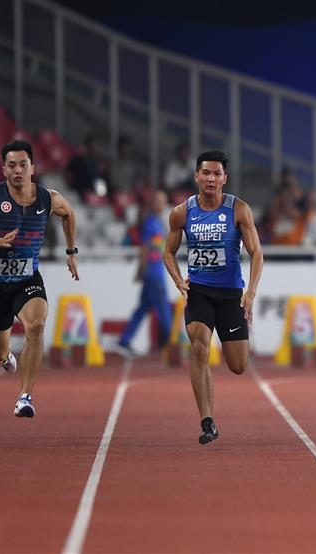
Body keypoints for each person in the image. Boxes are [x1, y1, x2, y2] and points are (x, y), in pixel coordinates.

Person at [0, 140, 80, 417]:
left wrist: (71, 251)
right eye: (11, 165)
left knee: (37, 325)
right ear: (3, 170)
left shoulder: (48, 198)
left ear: (33, 168)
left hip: (28, 279)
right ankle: (5, 358)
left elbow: (69, 214)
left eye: (23, 164)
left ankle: (25, 396)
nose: (17, 170)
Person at [163, 150, 264, 445]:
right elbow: (167, 252)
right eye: (206, 173)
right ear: (196, 176)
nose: (211, 178)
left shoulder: (238, 209)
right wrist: (179, 280)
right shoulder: (181, 213)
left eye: (217, 173)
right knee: (198, 347)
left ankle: (209, 378)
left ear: (225, 178)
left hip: (231, 295)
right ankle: (207, 421)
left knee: (238, 365)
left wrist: (251, 291)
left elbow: (257, 253)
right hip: (199, 293)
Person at [113, 190, 173, 357]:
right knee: (164, 310)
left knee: (143, 308)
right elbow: (145, 249)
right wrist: (141, 270)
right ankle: (170, 345)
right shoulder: (151, 224)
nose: (163, 205)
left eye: (164, 202)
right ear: (153, 204)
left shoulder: (156, 223)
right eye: (159, 202)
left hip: (152, 273)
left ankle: (124, 340)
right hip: (154, 274)